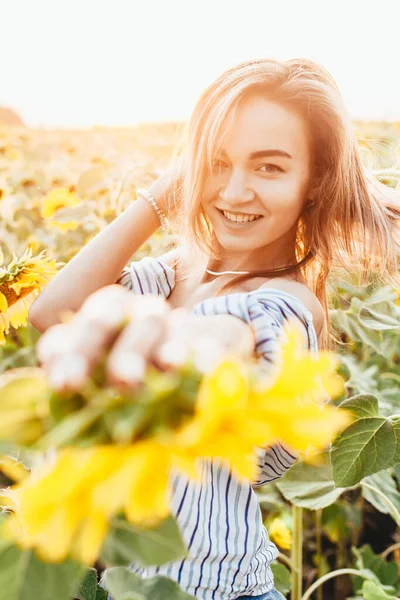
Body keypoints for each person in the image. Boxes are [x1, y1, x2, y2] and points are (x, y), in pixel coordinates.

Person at [28, 57, 400, 600]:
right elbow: (49, 312)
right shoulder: (173, 273)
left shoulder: (290, 299)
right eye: (218, 162)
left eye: (270, 167)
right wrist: (168, 189)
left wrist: (173, 345)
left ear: (314, 181)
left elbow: (236, 333)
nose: (234, 191)